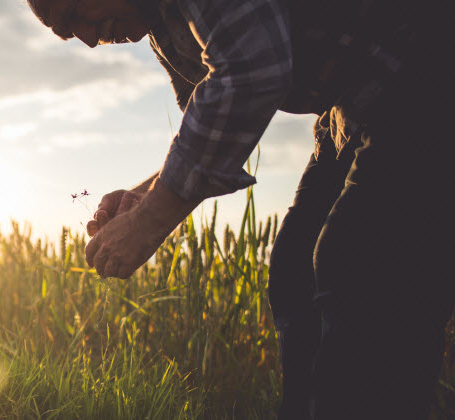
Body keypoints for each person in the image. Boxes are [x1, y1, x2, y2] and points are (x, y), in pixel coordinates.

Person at [26, 0, 454, 418]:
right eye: (67, 33)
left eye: (75, 15)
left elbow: (251, 72)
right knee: (294, 270)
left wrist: (151, 221)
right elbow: (219, 123)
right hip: (352, 103)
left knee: (359, 267)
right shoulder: (164, 28)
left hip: (424, 71)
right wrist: (144, 196)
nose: (84, 40)